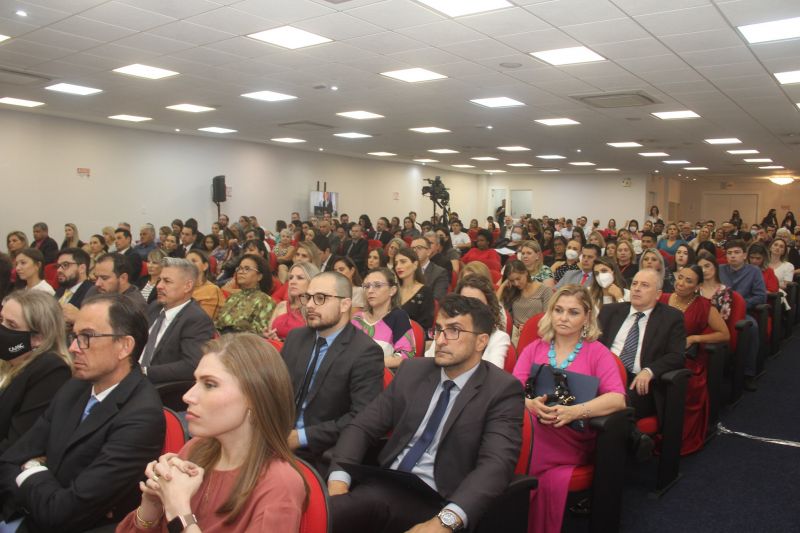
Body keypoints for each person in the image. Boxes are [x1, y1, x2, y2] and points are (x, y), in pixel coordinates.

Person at [327, 294, 524, 533]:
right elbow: (362, 426)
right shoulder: (414, 370)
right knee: (321, 496)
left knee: (357, 505)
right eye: (438, 330)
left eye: (454, 331)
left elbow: (495, 465)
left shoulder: (502, 390)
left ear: (481, 341)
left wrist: (446, 520)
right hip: (388, 482)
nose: (440, 340)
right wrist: (338, 482)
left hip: (440, 499)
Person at [0, 294, 165, 532]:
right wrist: (44, 481)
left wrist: (32, 469)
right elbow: (10, 460)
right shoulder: (76, 386)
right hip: (24, 516)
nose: (73, 348)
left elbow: (63, 512)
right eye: (74, 336)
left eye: (86, 337)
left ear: (124, 346)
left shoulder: (142, 416)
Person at [118, 334, 306, 532]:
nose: (187, 396)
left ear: (253, 397)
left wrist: (179, 510)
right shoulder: (197, 449)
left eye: (209, 385)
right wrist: (152, 505)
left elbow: (178, 515)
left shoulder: (280, 485)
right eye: (195, 382)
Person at [513, 285, 626, 533]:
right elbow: (512, 390)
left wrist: (574, 412)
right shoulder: (535, 348)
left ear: (587, 317)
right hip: (532, 425)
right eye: (558, 310)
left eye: (573, 312)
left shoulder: (598, 352)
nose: (563, 318)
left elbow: (617, 399)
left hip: (572, 436)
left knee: (515, 449)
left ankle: (514, 514)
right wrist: (529, 404)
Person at [280, 272, 384, 473]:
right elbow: (273, 388)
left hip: (318, 451)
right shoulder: (296, 337)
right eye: (308, 297)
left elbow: (360, 417)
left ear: (345, 305)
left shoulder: (365, 352)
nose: (310, 305)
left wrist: (300, 437)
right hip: (275, 435)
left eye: (320, 298)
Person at [598, 269, 686, 423]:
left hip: (636, 382)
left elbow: (676, 356)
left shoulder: (671, 318)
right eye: (634, 284)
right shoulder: (609, 311)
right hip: (603, 374)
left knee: (610, 411)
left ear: (658, 294)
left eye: (644, 285)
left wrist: (649, 371)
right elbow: (594, 344)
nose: (637, 289)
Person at [659, 265, 729, 455]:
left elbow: (724, 334)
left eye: (688, 281)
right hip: (658, 354)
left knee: (683, 385)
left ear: (697, 286)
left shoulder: (704, 306)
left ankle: (674, 438)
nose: (681, 283)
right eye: (680, 277)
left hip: (686, 359)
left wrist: (695, 338)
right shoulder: (662, 298)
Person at [0, 291, 71, 454]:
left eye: (12, 325)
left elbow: (18, 442)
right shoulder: (8, 361)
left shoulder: (52, 370)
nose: (2, 329)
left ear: (39, 337)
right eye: (1, 320)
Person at [141, 258, 215, 384]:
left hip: (157, 385)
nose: (159, 286)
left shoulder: (196, 319)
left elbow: (191, 365)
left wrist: (144, 372)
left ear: (187, 286)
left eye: (167, 281)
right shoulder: (154, 307)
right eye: (159, 280)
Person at [425, 275, 510, 369]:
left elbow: (493, 374)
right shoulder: (443, 331)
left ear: (489, 308)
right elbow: (427, 366)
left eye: (476, 303)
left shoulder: (498, 337)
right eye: (463, 302)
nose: (468, 308)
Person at [351, 268, 416, 368]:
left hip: (382, 374)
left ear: (392, 290)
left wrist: (368, 364)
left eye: (377, 285)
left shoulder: (399, 317)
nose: (370, 291)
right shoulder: (357, 318)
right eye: (367, 286)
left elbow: (406, 355)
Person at [215, 255, 275, 334]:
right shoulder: (233, 297)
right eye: (239, 268)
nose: (240, 272)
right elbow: (218, 322)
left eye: (247, 269)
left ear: (259, 276)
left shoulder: (266, 301)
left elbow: (260, 333)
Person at [501, 260, 553, 344]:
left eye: (518, 278)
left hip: (538, 333)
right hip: (516, 335)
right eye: (512, 280)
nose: (516, 283)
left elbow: (548, 317)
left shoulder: (545, 290)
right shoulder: (513, 291)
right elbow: (498, 309)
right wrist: (503, 286)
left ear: (525, 273)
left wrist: (529, 327)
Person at [265, 262, 319, 341]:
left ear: (312, 281)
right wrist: (268, 335)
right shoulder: (282, 305)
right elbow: (269, 332)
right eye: (290, 277)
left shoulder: (316, 309)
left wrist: (283, 343)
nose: (292, 282)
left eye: (300, 278)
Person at [395, 247, 434, 332]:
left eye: (403, 262)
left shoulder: (425, 292)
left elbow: (425, 326)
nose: (398, 266)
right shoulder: (393, 290)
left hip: (412, 337)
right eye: (396, 263)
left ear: (415, 264)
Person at [185, 250, 226, 321]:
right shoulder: (180, 287)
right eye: (186, 262)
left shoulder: (212, 290)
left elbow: (202, 322)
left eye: (194, 261)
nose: (188, 265)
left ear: (205, 266)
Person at [411, 237, 449, 302]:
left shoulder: (439, 273)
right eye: (412, 248)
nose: (414, 251)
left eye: (419, 248)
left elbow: (437, 300)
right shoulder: (406, 270)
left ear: (428, 252)